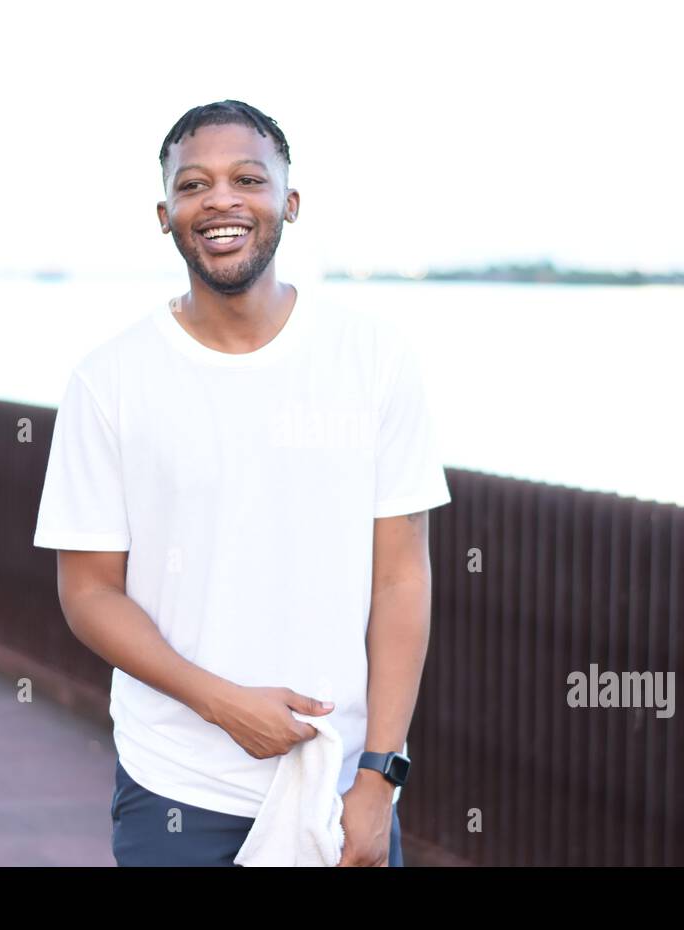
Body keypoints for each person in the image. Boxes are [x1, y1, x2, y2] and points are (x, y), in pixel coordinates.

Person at [32, 99, 451, 866]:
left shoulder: (374, 358)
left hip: (338, 786)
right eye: (194, 185)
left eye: (247, 178)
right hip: (176, 791)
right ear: (165, 215)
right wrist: (222, 704)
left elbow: (400, 577)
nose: (221, 199)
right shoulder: (109, 381)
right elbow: (88, 593)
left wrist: (380, 773)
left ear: (289, 202)